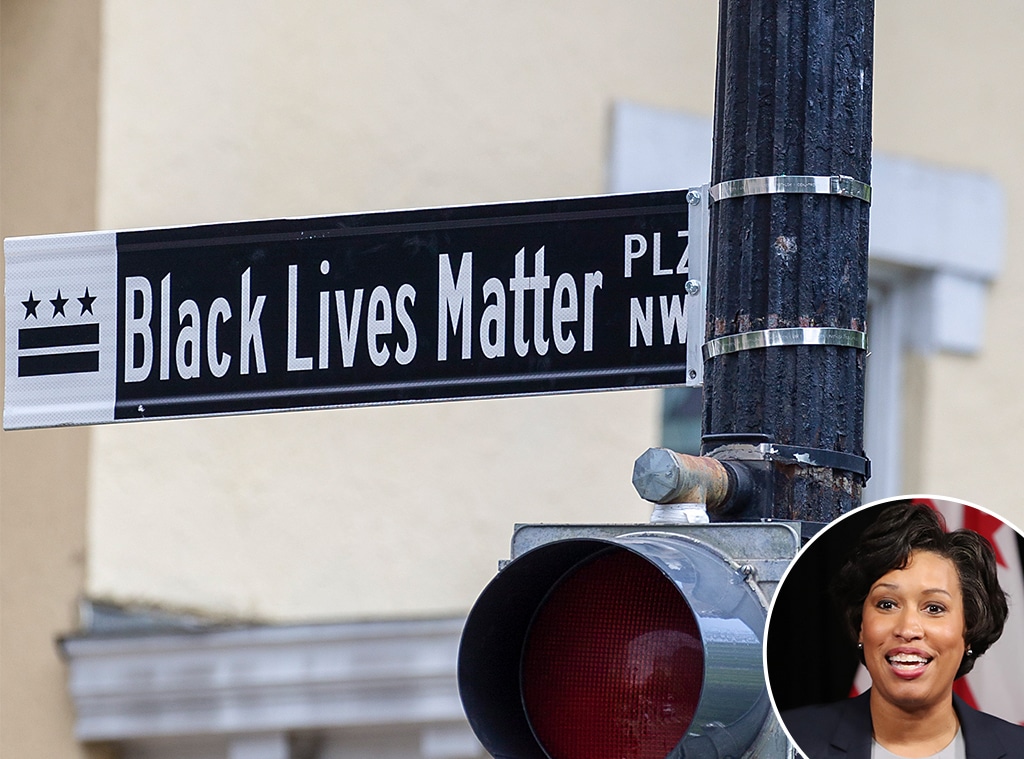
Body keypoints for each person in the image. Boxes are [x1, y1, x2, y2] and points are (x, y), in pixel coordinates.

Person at [781, 501, 1024, 759]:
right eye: (887, 604)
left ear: (970, 630)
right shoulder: (788, 739)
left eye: (934, 608)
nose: (907, 629)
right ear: (861, 626)